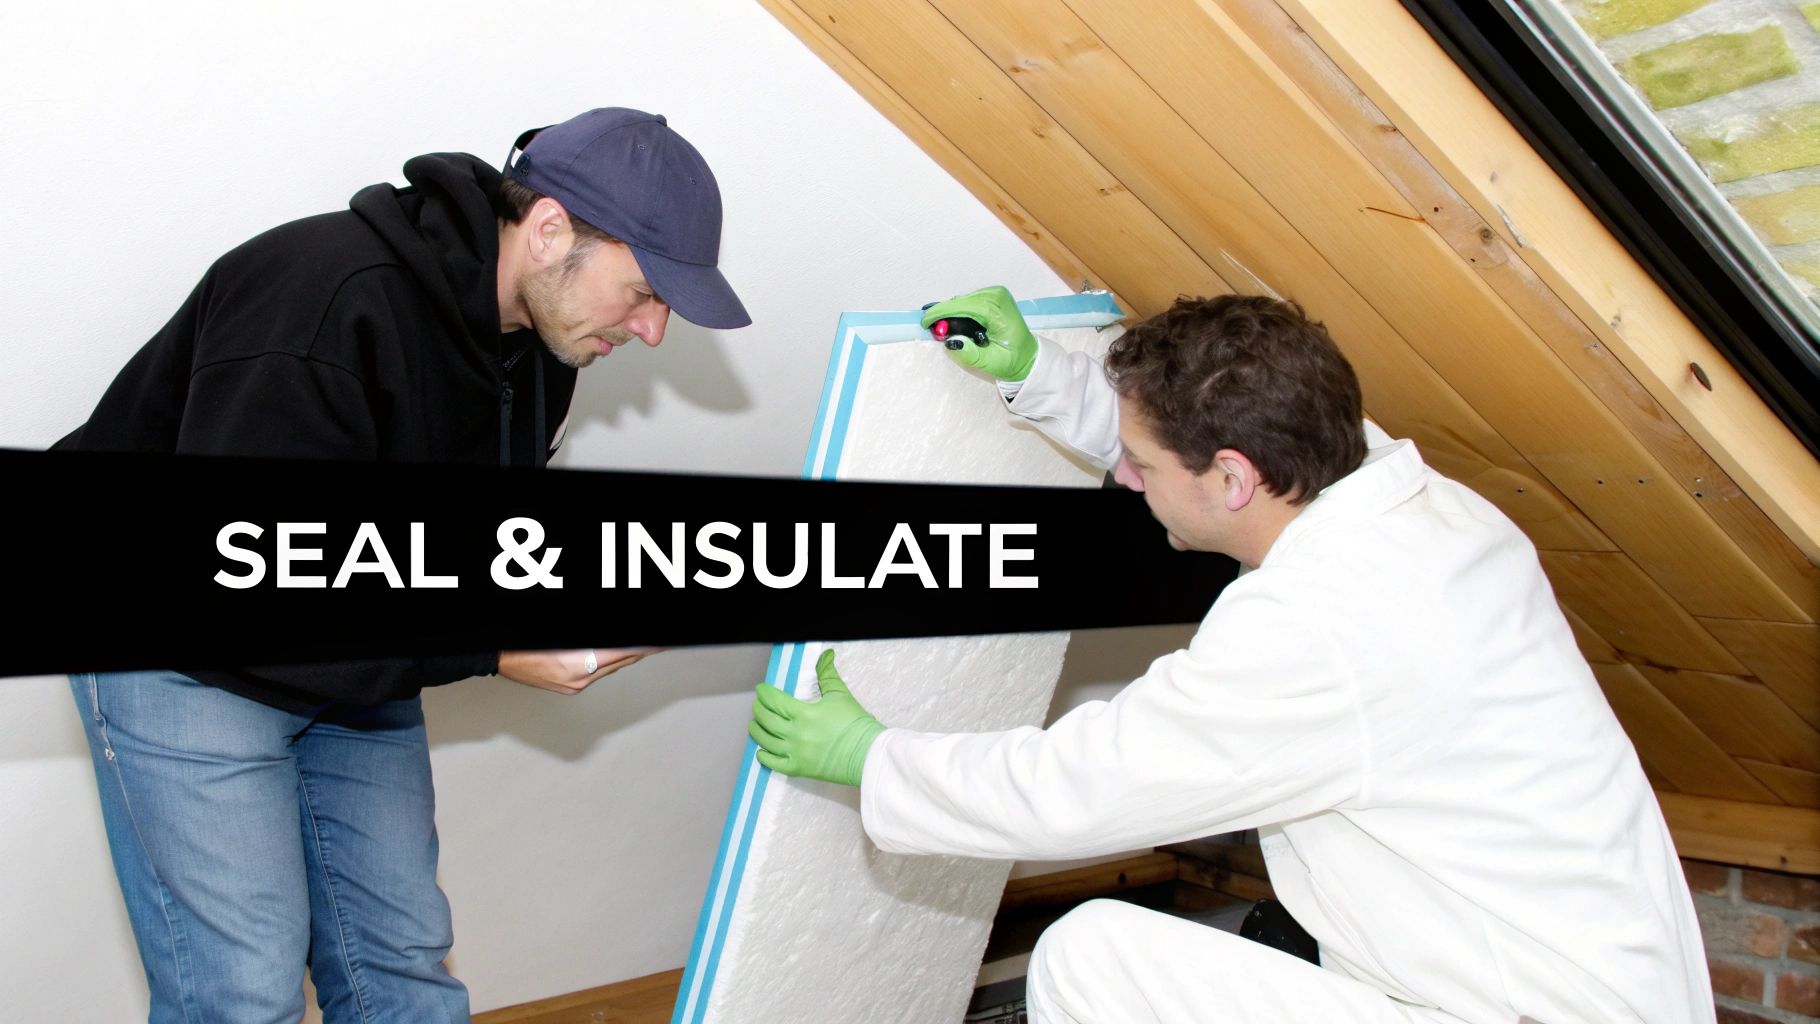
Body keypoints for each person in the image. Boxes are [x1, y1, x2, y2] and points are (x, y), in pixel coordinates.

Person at [749, 287, 1712, 1023]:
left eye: (1145, 469)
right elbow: (1204, 445)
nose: (1126, 479)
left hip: (1506, 1011)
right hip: (1575, 986)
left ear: (1234, 479)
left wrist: (873, 758)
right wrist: (1044, 373)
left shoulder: (1322, 628)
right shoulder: (1415, 503)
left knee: (1092, 956)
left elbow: (1083, 787)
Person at [59, 107, 748, 1022]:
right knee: (244, 988)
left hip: (347, 647)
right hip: (177, 643)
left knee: (402, 960)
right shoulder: (322, 302)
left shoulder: (541, 348)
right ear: (549, 232)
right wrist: (491, 651)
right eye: (644, 290)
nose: (654, 330)